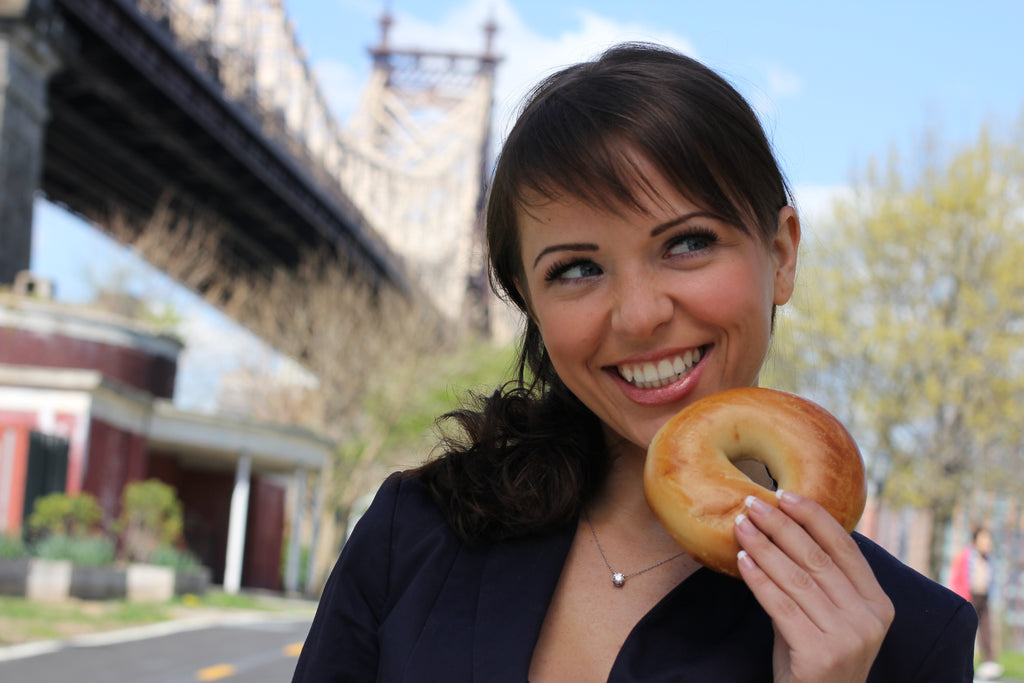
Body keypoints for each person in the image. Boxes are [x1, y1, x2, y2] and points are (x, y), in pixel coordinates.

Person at [292, 42, 977, 681]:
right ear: (530, 301)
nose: (640, 313)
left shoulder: (913, 639)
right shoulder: (412, 535)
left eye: (686, 244)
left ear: (782, 253)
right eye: (578, 268)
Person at [950, 526, 1002, 680]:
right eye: (984, 539)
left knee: (986, 630)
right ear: (976, 540)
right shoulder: (966, 555)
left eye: (988, 540)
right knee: (966, 629)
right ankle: (960, 663)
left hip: (984, 596)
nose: (987, 543)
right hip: (969, 596)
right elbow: (957, 577)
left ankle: (989, 663)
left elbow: (991, 578)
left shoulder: (989, 558)